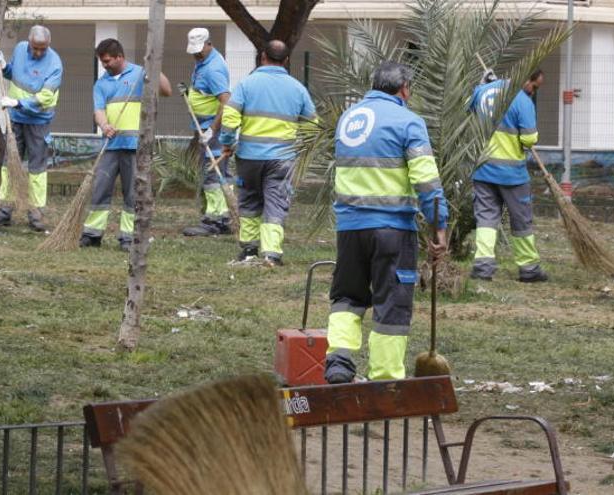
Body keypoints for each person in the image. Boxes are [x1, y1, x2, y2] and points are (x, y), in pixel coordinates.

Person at [323, 61, 449, 384]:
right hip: (392, 230)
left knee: (346, 296)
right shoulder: (409, 122)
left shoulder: (348, 119)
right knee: (392, 302)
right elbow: (426, 182)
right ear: (405, 89)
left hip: (349, 227)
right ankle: (385, 379)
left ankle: (339, 362)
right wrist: (439, 227)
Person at [218, 40, 316, 266]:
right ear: (287, 60)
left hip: (249, 158)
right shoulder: (298, 88)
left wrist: (227, 142)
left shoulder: (247, 84)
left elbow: (230, 117)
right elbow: (312, 126)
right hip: (282, 159)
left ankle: (249, 249)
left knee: (249, 201)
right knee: (276, 202)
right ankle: (271, 253)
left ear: (263, 57)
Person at [80, 38, 171, 250]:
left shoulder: (140, 74)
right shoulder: (101, 83)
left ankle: (128, 238)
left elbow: (166, 91)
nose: (105, 65)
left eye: (108, 61)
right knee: (100, 190)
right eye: (102, 61)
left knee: (132, 194)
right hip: (110, 146)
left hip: (135, 147)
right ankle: (92, 234)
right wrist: (104, 125)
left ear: (120, 57)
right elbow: (99, 110)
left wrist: (153, 68)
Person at [469, 70, 547, 283]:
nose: (534, 91)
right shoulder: (522, 101)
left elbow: (469, 108)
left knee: (486, 218)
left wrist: (481, 85)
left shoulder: (482, 91)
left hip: (483, 170)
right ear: (525, 79)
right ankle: (528, 268)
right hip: (512, 175)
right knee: (521, 220)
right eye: (535, 86)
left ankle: (483, 267)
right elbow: (529, 139)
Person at [0, 25, 62, 232]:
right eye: (35, 47)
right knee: (9, 163)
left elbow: (45, 97)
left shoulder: (55, 63)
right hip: (16, 119)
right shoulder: (20, 49)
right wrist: (2, 64)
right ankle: (4, 210)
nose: (38, 52)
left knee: (37, 168)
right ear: (29, 42)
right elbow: (13, 73)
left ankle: (36, 213)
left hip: (38, 121)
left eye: (43, 48)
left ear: (48, 45)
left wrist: (18, 103)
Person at [181, 27, 234, 237]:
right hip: (203, 126)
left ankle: (214, 220)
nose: (195, 54)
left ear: (208, 44)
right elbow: (205, 93)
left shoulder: (213, 68)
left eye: (199, 50)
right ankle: (224, 217)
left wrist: (213, 129)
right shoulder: (202, 62)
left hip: (213, 130)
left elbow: (225, 100)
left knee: (213, 173)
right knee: (217, 172)